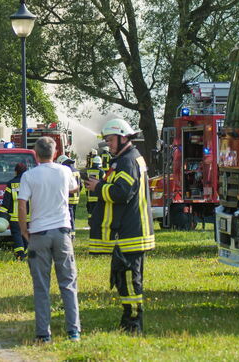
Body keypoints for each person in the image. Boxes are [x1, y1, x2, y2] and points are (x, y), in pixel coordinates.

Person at [84, 119, 155, 334]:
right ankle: (128, 319)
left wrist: (99, 187)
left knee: (130, 279)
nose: (108, 144)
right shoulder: (126, 159)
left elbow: (122, 193)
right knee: (123, 276)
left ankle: (134, 324)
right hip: (129, 229)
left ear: (124, 137)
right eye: (106, 140)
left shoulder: (128, 161)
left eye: (110, 140)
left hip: (131, 231)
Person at [18, 137, 81, 343]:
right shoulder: (64, 171)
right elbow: (74, 188)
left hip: (39, 233)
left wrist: (24, 230)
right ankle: (73, 331)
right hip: (62, 232)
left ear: (36, 154)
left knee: (41, 286)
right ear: (55, 153)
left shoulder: (29, 175)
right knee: (68, 283)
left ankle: (43, 333)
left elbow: (21, 204)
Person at [0, 163, 29, 260]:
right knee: (26, 234)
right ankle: (27, 252)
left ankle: (20, 254)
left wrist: (1, 214)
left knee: (17, 235)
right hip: (28, 216)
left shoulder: (11, 184)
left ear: (16, 172)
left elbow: (6, 201)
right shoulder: (30, 182)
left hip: (15, 217)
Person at [57, 152, 81, 232]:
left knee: (69, 216)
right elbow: (80, 185)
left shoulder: (65, 171)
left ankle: (71, 232)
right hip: (76, 197)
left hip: (68, 197)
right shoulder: (76, 171)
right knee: (73, 215)